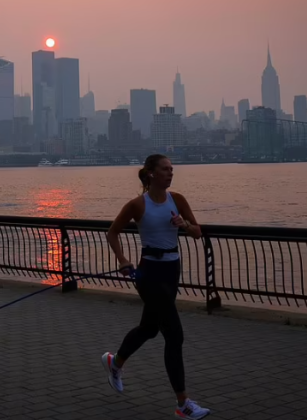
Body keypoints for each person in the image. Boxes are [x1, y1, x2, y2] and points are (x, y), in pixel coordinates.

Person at [101, 154, 210, 420]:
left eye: (172, 169)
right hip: (148, 271)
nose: (170, 173)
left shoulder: (178, 200)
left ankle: (115, 363)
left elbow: (198, 232)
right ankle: (183, 404)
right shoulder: (138, 205)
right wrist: (123, 261)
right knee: (174, 334)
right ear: (150, 173)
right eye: (165, 169)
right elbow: (112, 232)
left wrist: (184, 225)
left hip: (172, 269)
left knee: (149, 329)